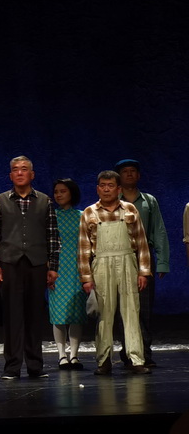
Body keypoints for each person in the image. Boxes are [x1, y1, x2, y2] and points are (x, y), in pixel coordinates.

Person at [0, 156, 60, 380]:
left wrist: (53, 266)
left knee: (35, 315)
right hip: (10, 263)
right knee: (12, 316)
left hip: (37, 263)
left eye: (24, 169)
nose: (19, 173)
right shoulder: (1, 200)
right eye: (15, 170)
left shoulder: (44, 200)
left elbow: (52, 236)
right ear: (10, 175)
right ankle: (12, 366)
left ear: (32, 174)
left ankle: (35, 366)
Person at [78, 170, 152, 376]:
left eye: (111, 185)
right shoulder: (89, 212)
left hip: (128, 261)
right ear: (97, 188)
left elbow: (142, 243)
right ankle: (104, 361)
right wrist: (86, 278)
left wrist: (143, 271)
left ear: (118, 189)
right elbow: (83, 249)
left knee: (131, 313)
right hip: (101, 264)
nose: (106, 188)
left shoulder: (129, 209)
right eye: (102, 185)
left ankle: (137, 359)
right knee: (104, 315)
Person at [115, 159, 169, 368]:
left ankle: (145, 351)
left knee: (144, 308)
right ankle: (128, 351)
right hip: (119, 258)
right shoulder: (112, 200)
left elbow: (159, 230)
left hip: (143, 259)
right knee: (122, 308)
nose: (129, 174)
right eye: (125, 172)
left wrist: (162, 262)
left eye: (133, 171)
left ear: (138, 175)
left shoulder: (148, 200)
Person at [49, 178, 87, 370]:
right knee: (59, 313)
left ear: (71, 193)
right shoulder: (51, 217)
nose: (58, 195)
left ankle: (74, 355)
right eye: (56, 191)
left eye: (63, 191)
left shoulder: (83, 216)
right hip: (57, 269)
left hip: (78, 269)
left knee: (76, 313)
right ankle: (61, 354)